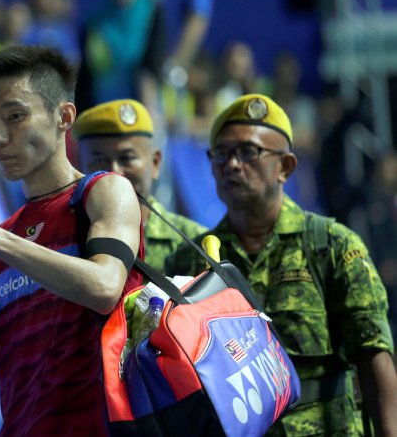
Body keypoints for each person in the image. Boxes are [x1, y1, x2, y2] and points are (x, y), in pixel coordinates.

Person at [0, 45, 144, 435]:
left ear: (63, 117)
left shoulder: (103, 193)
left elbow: (105, 286)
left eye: (15, 116)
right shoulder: (3, 239)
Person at [165, 94, 397, 435]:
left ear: (285, 166)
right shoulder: (192, 260)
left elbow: (374, 357)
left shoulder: (330, 245)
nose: (231, 164)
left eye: (248, 152)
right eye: (222, 154)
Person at [73, 98, 205, 272]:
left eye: (126, 158)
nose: (115, 173)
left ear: (156, 163)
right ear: (79, 168)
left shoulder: (194, 242)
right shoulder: (65, 240)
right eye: (99, 160)